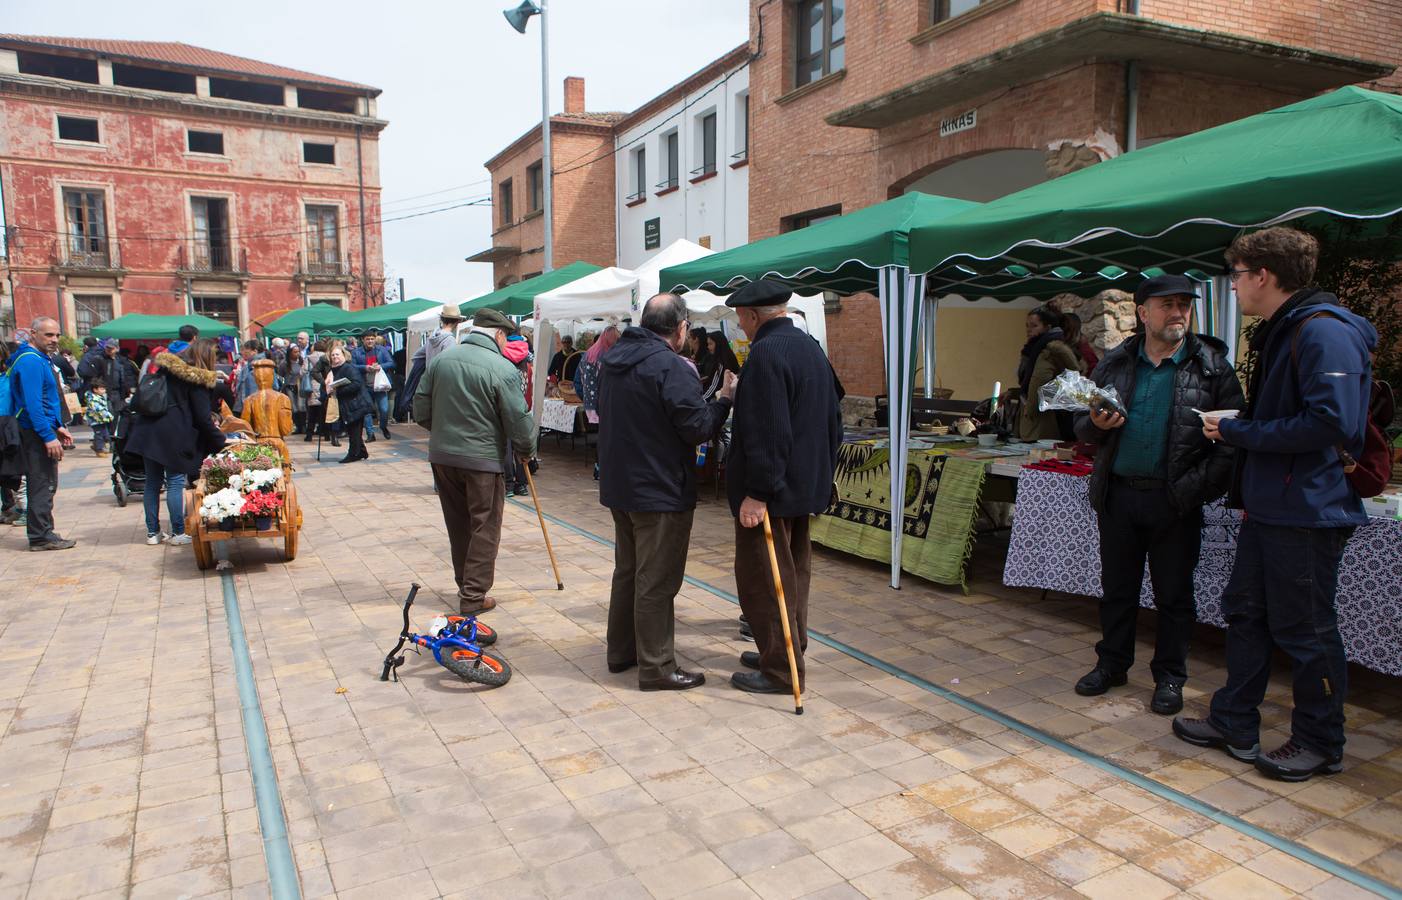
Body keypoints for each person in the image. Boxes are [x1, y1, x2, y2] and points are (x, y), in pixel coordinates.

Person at [1176, 228, 1377, 782]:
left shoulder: (1324, 334)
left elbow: (1331, 422)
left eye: (1236, 275)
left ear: (1262, 275)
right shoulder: (1289, 330)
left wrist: (1241, 430)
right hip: (1274, 507)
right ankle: (1234, 719)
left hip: (1307, 511)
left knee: (1307, 632)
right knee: (1247, 613)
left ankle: (1320, 741)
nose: (1233, 287)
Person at [1072, 274, 1244, 714]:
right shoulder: (1115, 362)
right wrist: (1096, 426)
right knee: (1117, 591)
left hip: (1175, 502)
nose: (1178, 313)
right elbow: (1081, 424)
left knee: (1174, 597)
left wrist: (1190, 492)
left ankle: (1170, 677)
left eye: (1184, 305)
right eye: (1167, 305)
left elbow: (1233, 441)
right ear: (1143, 313)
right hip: (1119, 496)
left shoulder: (1212, 366)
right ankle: (1112, 664)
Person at [598, 294, 736, 691]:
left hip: (622, 485)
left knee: (628, 572)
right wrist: (724, 401)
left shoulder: (616, 359)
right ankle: (656, 666)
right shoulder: (668, 366)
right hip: (659, 489)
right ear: (680, 329)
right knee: (655, 580)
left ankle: (621, 651)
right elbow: (697, 428)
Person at [725, 280, 842, 694]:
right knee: (794, 576)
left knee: (766, 580)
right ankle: (785, 647)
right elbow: (834, 417)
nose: (740, 327)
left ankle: (780, 669)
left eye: (740, 319)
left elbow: (768, 433)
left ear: (755, 316)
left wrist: (758, 492)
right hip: (802, 484)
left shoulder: (765, 355)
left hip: (772, 492)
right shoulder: (810, 348)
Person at [412, 308, 535, 617]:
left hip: (442, 456)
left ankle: (465, 584)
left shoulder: (440, 360)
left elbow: (421, 409)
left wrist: (443, 433)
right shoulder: (502, 368)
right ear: (499, 335)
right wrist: (526, 450)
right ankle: (473, 596)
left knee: (458, 524)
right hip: (481, 459)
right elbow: (518, 419)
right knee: (485, 526)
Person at [126, 340, 227, 545]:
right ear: (206, 357)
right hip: (173, 434)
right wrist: (221, 441)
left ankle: (153, 533)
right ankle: (178, 533)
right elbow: (203, 418)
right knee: (175, 482)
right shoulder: (195, 379)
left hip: (148, 431)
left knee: (152, 483)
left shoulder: (165, 369)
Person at [9, 319, 76, 550]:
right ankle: (40, 536)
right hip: (34, 433)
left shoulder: (38, 359)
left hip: (40, 429)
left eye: (57, 335)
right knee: (41, 483)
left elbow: (44, 402)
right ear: (33, 334)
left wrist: (56, 426)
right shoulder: (30, 361)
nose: (54, 340)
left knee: (46, 483)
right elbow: (33, 403)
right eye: (48, 335)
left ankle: (45, 531)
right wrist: (47, 435)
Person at [1016, 305, 1080, 440]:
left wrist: (1029, 410)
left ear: (1048, 327)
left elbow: (1038, 381)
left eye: (1034, 326)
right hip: (1046, 409)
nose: (1029, 330)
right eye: (1027, 326)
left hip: (1044, 414)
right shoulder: (1034, 349)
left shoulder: (1047, 350)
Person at [327, 344, 372, 464]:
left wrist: (338, 390)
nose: (335, 357)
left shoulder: (348, 368)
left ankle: (353, 454)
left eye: (337, 354)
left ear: (343, 355)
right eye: (333, 355)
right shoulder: (334, 369)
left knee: (354, 431)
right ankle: (361, 451)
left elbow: (357, 383)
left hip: (357, 404)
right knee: (353, 430)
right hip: (349, 404)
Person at [243, 360, 295, 463]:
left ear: (255, 378)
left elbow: (246, 429)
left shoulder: (249, 400)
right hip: (277, 444)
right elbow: (286, 429)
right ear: (272, 376)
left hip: (257, 445)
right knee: (281, 474)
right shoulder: (282, 398)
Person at [353, 329, 395, 441]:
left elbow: (391, 363)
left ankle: (383, 426)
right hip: (365, 386)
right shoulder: (356, 352)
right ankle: (370, 434)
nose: (370, 341)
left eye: (372, 339)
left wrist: (380, 366)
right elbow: (352, 366)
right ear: (363, 340)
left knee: (384, 409)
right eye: (368, 339)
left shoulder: (382, 350)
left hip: (380, 385)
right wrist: (365, 368)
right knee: (367, 411)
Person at [579, 325, 618, 425]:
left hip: (590, 400)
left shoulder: (588, 354)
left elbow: (581, 376)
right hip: (607, 399)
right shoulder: (608, 355)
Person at [701, 330, 741, 401]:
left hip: (720, 398)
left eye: (710, 344)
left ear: (718, 344)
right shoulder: (728, 356)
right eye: (708, 344)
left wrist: (701, 400)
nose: (708, 347)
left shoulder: (721, 362)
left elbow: (714, 386)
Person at [280, 344, 308, 434]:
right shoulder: (284, 363)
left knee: (301, 406)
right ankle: (298, 426)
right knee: (294, 408)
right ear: (290, 353)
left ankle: (303, 426)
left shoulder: (302, 361)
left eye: (298, 352)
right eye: (295, 352)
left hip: (300, 386)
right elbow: (280, 376)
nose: (297, 354)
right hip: (289, 387)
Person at [302, 340, 327, 443]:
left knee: (312, 413)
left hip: (312, 386)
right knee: (324, 411)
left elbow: (303, 371)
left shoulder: (308, 357)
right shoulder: (327, 357)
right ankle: (325, 433)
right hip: (324, 384)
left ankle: (309, 434)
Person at [233, 340, 266, 412]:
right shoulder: (248, 365)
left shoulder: (260, 365)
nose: (243, 353)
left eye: (246, 351)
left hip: (254, 407)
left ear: (254, 351)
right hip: (249, 406)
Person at [86, 378, 114, 456]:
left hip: (102, 420)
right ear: (95, 389)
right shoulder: (93, 399)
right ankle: (99, 450)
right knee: (99, 435)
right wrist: (108, 415)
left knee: (105, 434)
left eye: (104, 389)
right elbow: (98, 409)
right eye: (101, 389)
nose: (104, 391)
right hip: (95, 420)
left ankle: (96, 445)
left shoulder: (101, 396)